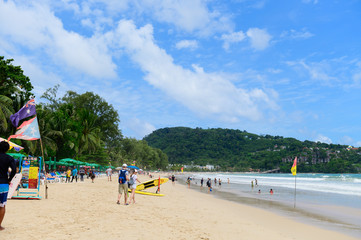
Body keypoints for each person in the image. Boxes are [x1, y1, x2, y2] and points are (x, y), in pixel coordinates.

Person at [0, 141, 16, 231]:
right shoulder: (9, 158)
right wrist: (9, 180)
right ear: (7, 149)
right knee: (2, 206)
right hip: (3, 184)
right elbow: (14, 170)